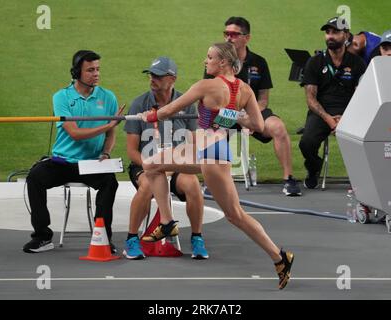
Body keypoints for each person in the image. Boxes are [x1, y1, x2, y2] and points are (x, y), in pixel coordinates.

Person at [140, 42, 294, 290]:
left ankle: (279, 257)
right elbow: (258, 125)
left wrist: (149, 116)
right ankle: (167, 221)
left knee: (235, 215)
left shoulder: (206, 85)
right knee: (152, 164)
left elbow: (170, 110)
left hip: (211, 153)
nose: (205, 61)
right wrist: (232, 115)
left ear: (223, 62)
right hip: (204, 146)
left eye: (209, 57)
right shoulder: (244, 90)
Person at [23, 50, 124, 253]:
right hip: (62, 163)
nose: (96, 74)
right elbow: (75, 133)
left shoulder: (108, 97)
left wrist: (105, 153)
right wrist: (107, 125)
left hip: (91, 164)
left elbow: (111, 135)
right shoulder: (61, 97)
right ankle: (42, 236)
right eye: (90, 70)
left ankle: (103, 236)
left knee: (109, 183)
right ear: (77, 72)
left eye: (98, 69)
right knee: (34, 178)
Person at [123, 56, 208, 260]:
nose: (152, 79)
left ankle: (197, 238)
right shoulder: (138, 104)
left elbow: (194, 144)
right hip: (146, 165)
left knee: (193, 184)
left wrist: (173, 164)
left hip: (177, 165)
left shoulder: (187, 105)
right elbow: (132, 150)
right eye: (151, 75)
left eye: (158, 76)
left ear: (172, 79)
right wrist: (152, 166)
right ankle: (132, 239)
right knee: (147, 186)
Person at [219, 17, 301, 196]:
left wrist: (249, 117)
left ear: (246, 38)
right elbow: (210, 99)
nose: (228, 38)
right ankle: (214, 181)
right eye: (226, 34)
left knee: (278, 128)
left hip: (253, 112)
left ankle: (289, 179)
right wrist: (237, 117)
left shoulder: (259, 62)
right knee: (213, 130)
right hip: (227, 112)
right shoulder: (217, 61)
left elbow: (264, 99)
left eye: (233, 34)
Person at [299, 17, 367, 189]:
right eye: (327, 32)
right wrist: (329, 118)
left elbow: (362, 96)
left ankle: (363, 178)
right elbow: (310, 98)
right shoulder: (315, 62)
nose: (330, 36)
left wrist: (346, 117)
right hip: (321, 112)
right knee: (306, 143)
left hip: (350, 112)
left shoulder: (357, 63)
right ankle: (314, 167)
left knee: (367, 140)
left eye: (335, 32)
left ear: (346, 35)